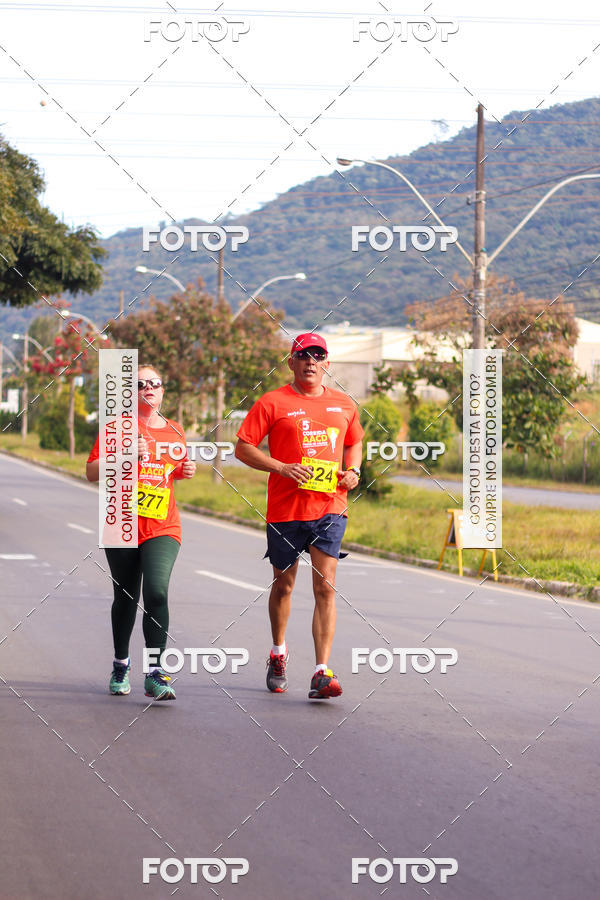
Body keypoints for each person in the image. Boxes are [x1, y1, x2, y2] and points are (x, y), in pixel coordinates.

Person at [235, 332, 364, 699]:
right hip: (286, 509)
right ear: (291, 362)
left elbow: (354, 441)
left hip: (330, 507)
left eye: (317, 356)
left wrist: (354, 471)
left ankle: (322, 672)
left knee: (325, 586)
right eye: (304, 355)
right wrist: (281, 467)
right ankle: (278, 652)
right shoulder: (273, 402)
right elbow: (243, 448)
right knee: (284, 585)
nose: (311, 361)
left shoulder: (344, 404)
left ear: (327, 364)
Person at [86, 365, 196, 700]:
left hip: (162, 525)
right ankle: (121, 664)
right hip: (121, 523)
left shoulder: (175, 431)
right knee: (126, 597)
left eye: (154, 383)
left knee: (157, 592)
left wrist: (185, 470)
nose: (148, 387)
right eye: (139, 384)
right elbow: (91, 471)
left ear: (162, 391)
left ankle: (155, 673)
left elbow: (169, 472)